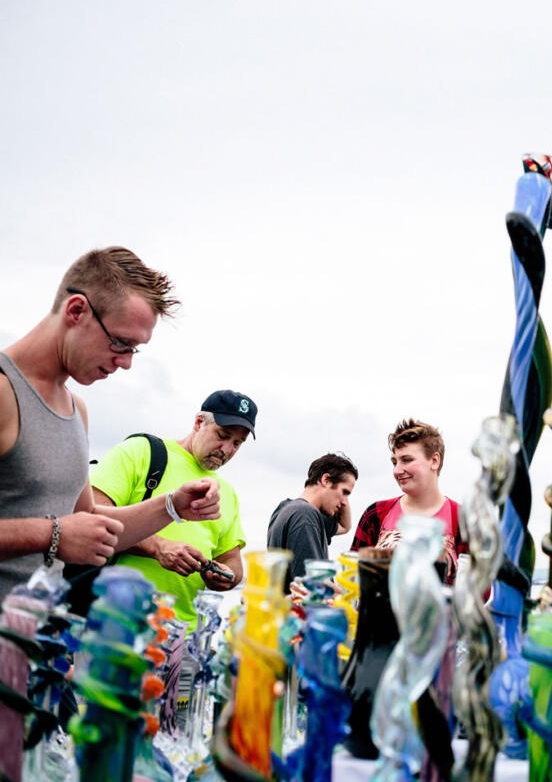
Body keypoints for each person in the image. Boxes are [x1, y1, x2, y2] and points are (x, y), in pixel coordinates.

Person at [0, 247, 222, 602]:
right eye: (121, 342)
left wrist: (172, 507)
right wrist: (50, 535)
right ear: (76, 311)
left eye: (135, 349)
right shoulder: (3, 391)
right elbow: (65, 532)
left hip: (37, 645)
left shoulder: (77, 410)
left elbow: (89, 524)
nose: (126, 363)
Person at [90, 390, 253, 627]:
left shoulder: (226, 492)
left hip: (186, 638)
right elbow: (90, 516)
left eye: (237, 443)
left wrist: (226, 576)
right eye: (223, 435)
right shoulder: (141, 451)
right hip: (117, 625)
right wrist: (158, 547)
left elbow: (232, 560)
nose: (227, 449)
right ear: (199, 423)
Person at [351, 418, 465, 584]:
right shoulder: (375, 514)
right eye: (394, 462)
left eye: (407, 460)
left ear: (434, 461)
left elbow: (478, 591)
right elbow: (353, 579)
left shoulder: (462, 519)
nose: (397, 470)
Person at [267, 452, 357, 591]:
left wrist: (344, 491)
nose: (345, 502)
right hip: (302, 611)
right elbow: (313, 589)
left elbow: (345, 526)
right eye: (344, 492)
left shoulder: (285, 509)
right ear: (326, 480)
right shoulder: (305, 516)